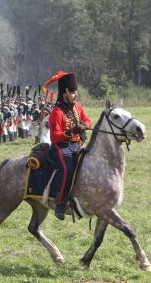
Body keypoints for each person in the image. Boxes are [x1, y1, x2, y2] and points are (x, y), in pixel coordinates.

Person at [46, 71, 92, 220]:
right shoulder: (56, 112)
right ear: (64, 93)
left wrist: (84, 125)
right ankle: (60, 204)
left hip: (76, 145)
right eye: (72, 92)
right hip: (61, 147)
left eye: (75, 92)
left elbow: (88, 121)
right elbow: (54, 137)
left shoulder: (77, 107)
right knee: (68, 169)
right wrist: (72, 132)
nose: (75, 95)